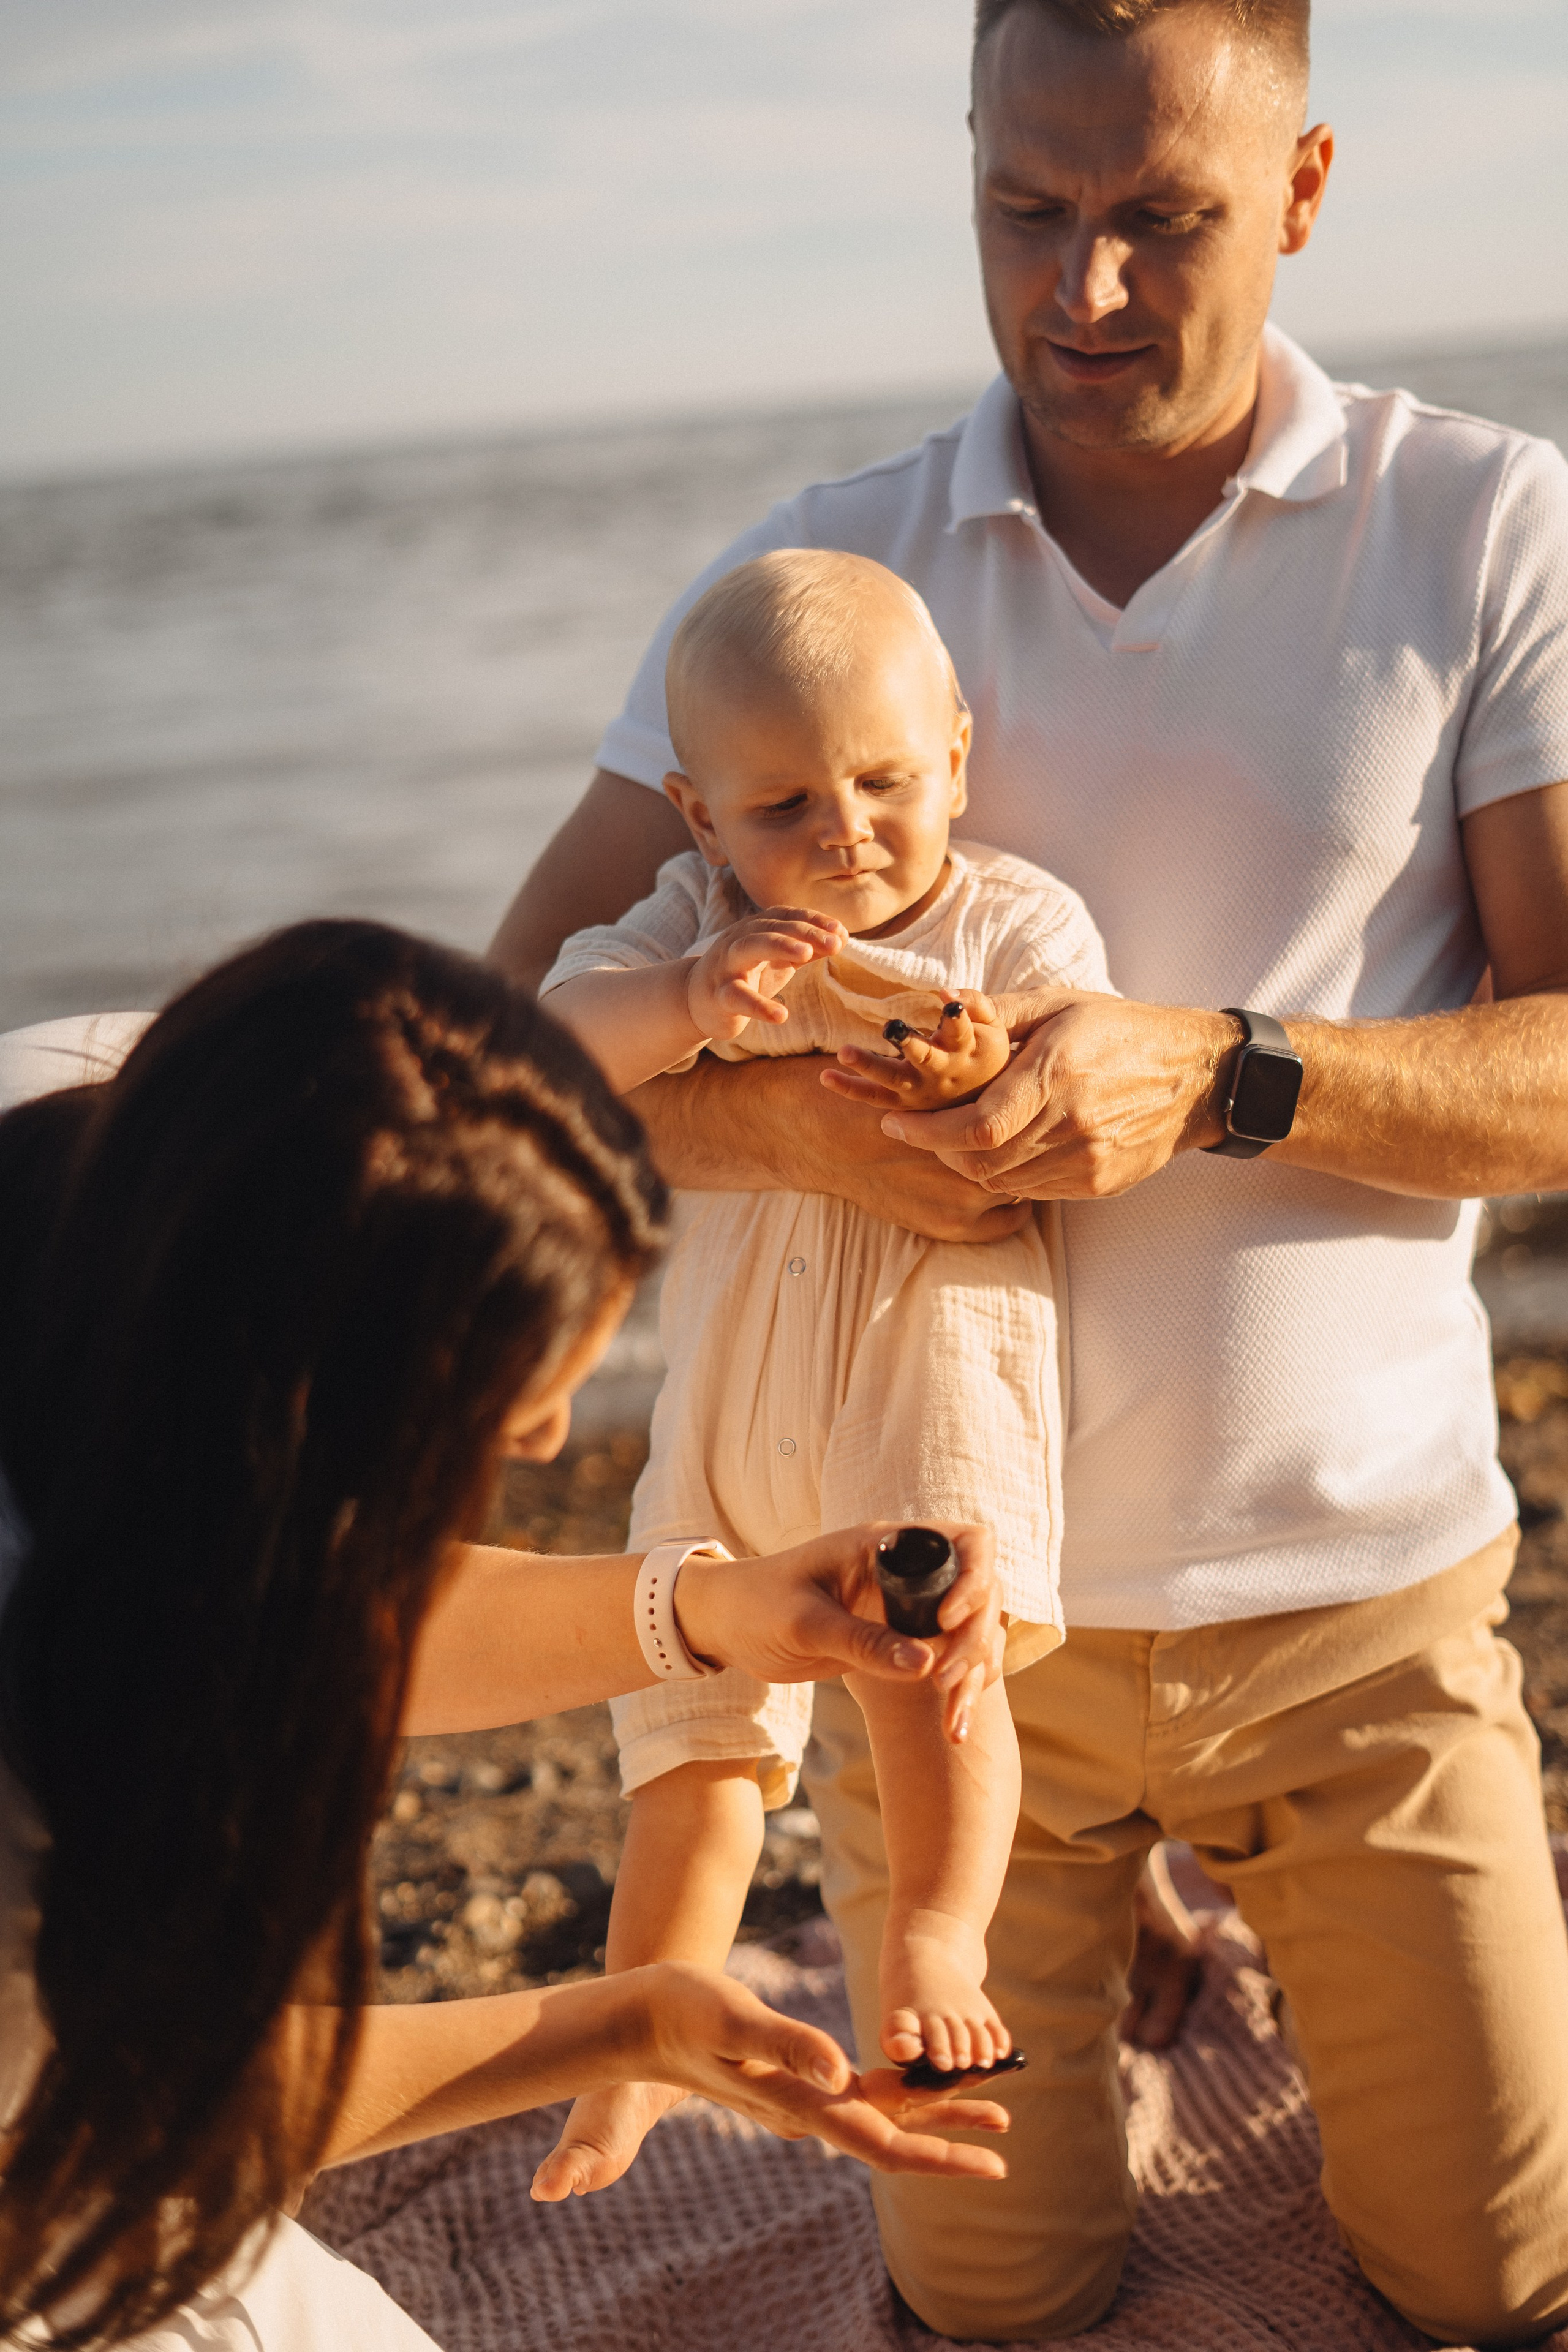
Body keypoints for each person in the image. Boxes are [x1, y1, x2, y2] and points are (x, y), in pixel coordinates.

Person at [489, 0, 1568, 2340]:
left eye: (1161, 221)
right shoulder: (816, 573)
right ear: (968, 162)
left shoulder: (1487, 521)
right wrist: (790, 1121)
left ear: (1299, 189)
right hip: (928, 1625)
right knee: (989, 2308)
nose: (1083, 288)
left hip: (1362, 1606)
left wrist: (1225, 1077)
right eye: (1026, 211)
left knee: (1499, 2295)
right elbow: (501, 1037)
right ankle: (1074, 1928)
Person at [0, 922, 1015, 2352]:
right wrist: (619, 2026)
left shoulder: (130, 1137)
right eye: (493, 1423)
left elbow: (286, 1583)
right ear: (298, 1407)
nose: (543, 1446)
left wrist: (704, 1608)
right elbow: (158, 2119)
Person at [533, 548, 1112, 2193]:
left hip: (924, 1368)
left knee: (936, 1656)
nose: (845, 835)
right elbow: (557, 1051)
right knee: (689, 1739)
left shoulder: (1011, 918)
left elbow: (1080, 1100)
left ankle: (937, 1936)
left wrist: (980, 1057)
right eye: (784, 806)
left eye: (882, 783)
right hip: (725, 1396)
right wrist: (687, 996)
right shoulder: (691, 927)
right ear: (700, 818)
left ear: (956, 757)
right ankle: (641, 2036)